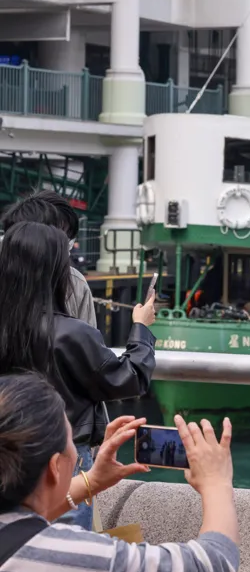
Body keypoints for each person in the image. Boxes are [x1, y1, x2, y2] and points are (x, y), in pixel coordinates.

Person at [0, 372, 239, 572]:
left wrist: (92, 481)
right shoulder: (79, 557)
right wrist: (217, 485)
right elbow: (214, 565)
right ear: (55, 466)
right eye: (71, 439)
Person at [0, 222, 157, 530]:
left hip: (6, 455)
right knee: (65, 551)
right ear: (55, 272)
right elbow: (128, 378)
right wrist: (142, 328)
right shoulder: (71, 334)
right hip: (63, 459)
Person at [0, 189, 96, 328]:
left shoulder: (76, 284)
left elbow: (87, 345)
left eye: (68, 237)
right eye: (58, 237)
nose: (64, 244)